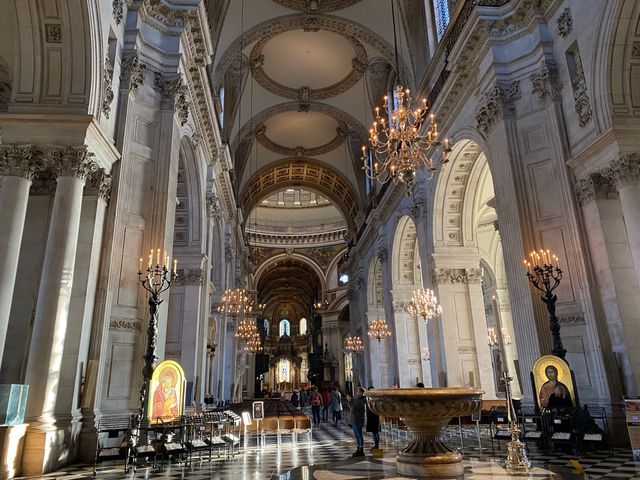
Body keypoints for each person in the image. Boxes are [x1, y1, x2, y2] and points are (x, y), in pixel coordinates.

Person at [348, 387, 366, 457]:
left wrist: (350, 401)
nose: (356, 393)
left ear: (361, 393)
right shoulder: (358, 400)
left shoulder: (362, 400)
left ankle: (361, 450)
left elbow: (354, 407)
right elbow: (351, 407)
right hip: (354, 420)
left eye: (358, 392)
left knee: (359, 435)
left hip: (358, 420)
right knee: (356, 435)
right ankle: (358, 448)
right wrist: (350, 401)